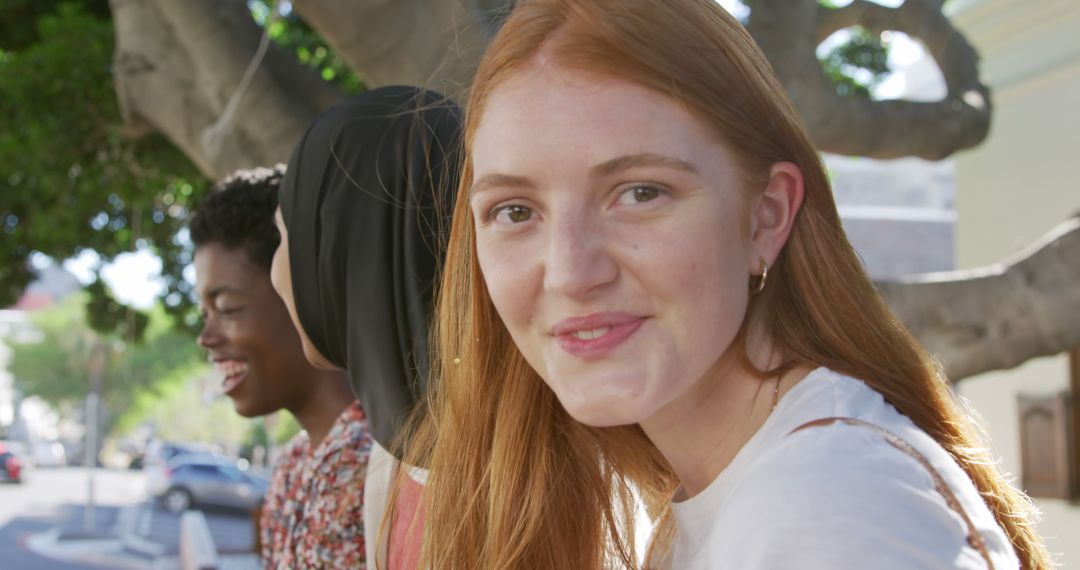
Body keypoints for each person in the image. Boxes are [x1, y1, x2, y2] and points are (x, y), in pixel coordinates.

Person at [404, 0, 1053, 568]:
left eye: (639, 193)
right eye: (515, 211)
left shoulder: (828, 506)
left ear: (765, 215)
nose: (572, 273)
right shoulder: (724, 498)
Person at [270, 85, 462, 568]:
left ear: (341, 247)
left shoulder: (526, 473)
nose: (275, 270)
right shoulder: (395, 453)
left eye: (283, 236)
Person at [190, 166, 371, 569]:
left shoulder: (373, 463)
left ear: (302, 291)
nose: (207, 337)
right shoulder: (293, 463)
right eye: (205, 312)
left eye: (228, 309)